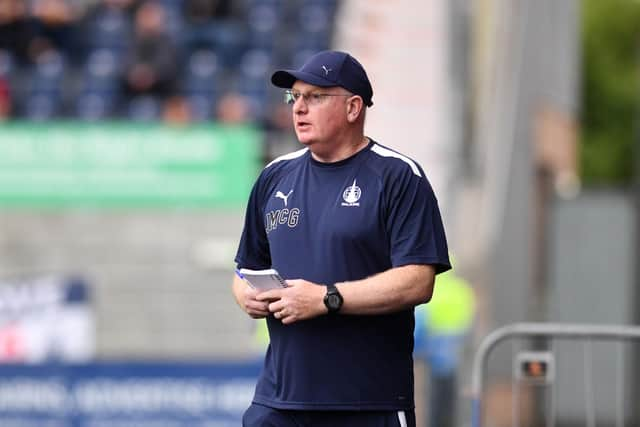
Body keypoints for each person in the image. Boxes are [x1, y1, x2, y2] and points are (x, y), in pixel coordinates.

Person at [232, 50, 451, 427]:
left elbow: (418, 281)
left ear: (353, 108)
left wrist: (326, 298)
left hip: (366, 403)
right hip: (279, 404)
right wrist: (246, 295)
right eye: (294, 97)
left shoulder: (398, 176)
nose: (299, 108)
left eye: (315, 97)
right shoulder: (274, 176)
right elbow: (244, 269)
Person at [414, 257, 475, 427]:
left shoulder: (430, 290)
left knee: (433, 400)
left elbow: (421, 324)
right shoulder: (462, 290)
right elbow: (469, 322)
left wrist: (415, 351)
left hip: (434, 353)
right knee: (454, 399)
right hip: (457, 351)